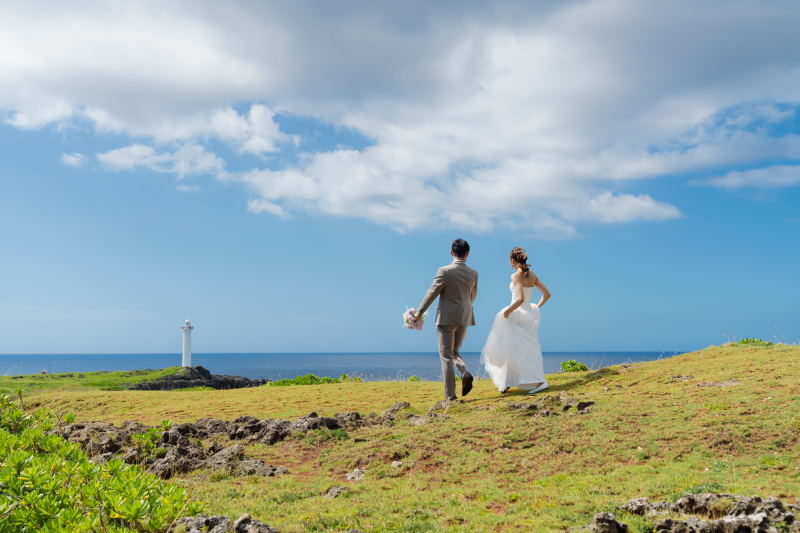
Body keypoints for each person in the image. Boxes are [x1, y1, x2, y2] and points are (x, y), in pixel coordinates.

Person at [480, 247, 551, 394]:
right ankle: (507, 382)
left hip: (516, 315)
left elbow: (520, 299)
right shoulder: (532, 275)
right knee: (515, 350)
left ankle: (540, 381)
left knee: (516, 350)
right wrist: (534, 308)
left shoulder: (515, 276)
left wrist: (506, 312)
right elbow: (547, 294)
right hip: (528, 315)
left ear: (512, 260)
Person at [416, 239, 478, 400]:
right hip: (465, 318)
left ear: (452, 253)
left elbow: (432, 293)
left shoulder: (444, 271)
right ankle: (464, 372)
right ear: (467, 254)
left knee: (446, 356)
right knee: (455, 351)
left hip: (446, 319)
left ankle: (451, 396)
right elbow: (473, 296)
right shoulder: (474, 273)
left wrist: (419, 312)